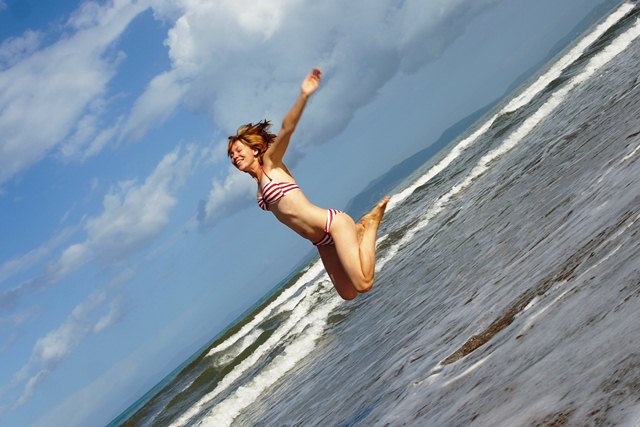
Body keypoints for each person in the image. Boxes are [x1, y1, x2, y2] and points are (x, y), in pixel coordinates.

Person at [228, 68, 389, 300]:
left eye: (238, 150)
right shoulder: (259, 188)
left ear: (254, 149)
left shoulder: (272, 165)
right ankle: (359, 231)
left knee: (364, 283)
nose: (234, 157)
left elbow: (287, 129)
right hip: (321, 242)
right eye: (231, 155)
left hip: (332, 225)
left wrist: (304, 96)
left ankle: (369, 224)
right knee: (348, 294)